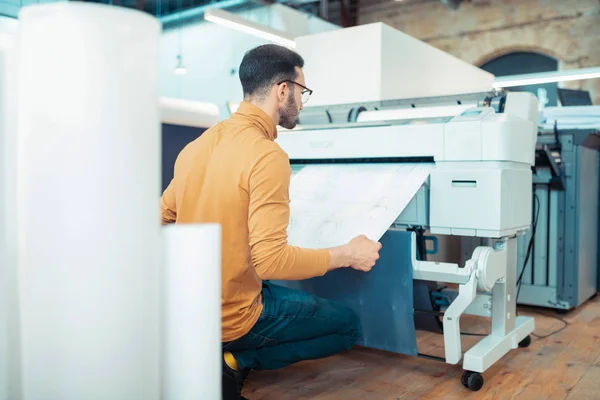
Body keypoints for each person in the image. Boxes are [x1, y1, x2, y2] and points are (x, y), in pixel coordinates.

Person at [160, 44, 382, 400]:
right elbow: (270, 260)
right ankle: (235, 359)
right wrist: (349, 254)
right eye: (302, 92)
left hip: (193, 305)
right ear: (283, 90)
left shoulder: (197, 146)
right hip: (234, 318)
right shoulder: (267, 155)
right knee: (347, 327)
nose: (301, 102)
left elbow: (162, 215)